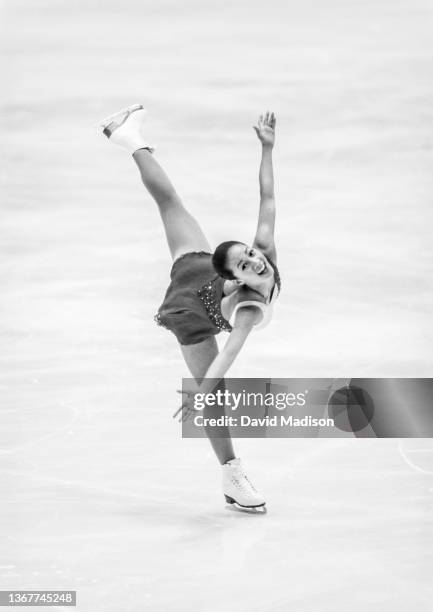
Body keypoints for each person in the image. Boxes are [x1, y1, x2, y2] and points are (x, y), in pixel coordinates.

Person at [100, 104, 280, 510]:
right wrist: (201, 395)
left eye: (249, 252)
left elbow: (267, 198)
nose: (256, 260)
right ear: (237, 278)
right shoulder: (249, 306)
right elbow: (228, 354)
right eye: (245, 264)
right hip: (191, 310)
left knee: (170, 202)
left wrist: (267, 149)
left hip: (197, 265)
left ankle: (129, 137)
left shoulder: (264, 251)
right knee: (215, 398)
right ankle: (232, 475)